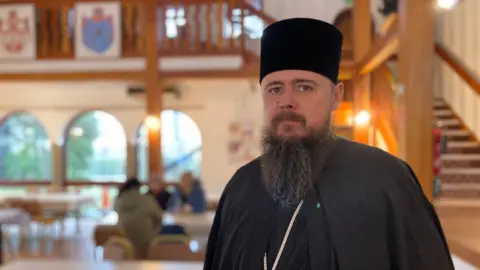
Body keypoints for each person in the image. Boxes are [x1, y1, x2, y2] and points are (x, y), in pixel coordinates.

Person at [204, 18, 454, 270]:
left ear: (336, 96)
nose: (286, 101)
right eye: (274, 89)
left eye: (304, 87)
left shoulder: (386, 180)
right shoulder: (241, 188)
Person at [114, 177, 163, 259]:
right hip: (146, 240)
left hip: (123, 237)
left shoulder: (119, 200)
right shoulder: (147, 200)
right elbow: (159, 218)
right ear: (139, 187)